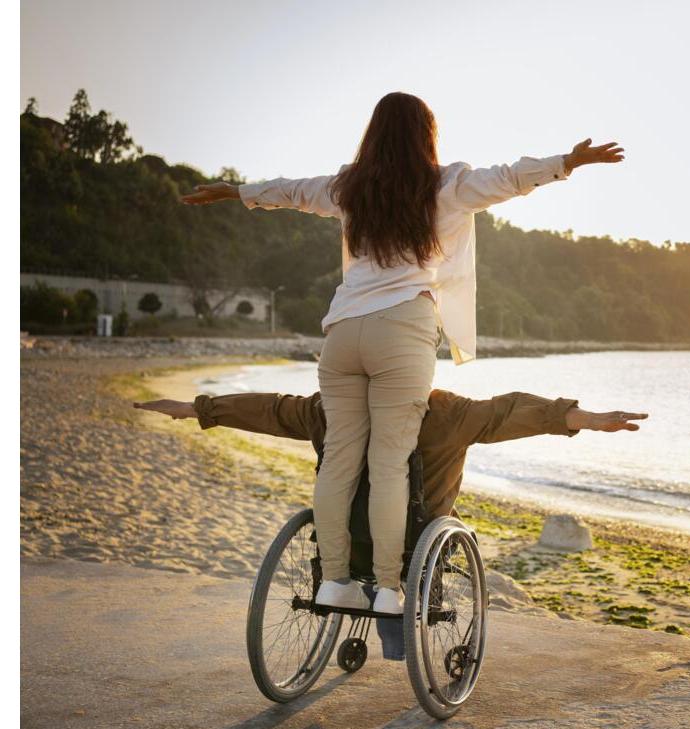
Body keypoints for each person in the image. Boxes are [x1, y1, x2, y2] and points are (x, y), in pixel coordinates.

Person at [181, 92, 625, 613]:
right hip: (403, 329)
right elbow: (508, 178)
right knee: (389, 463)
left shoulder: (350, 187)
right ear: (426, 135)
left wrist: (238, 191)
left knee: (339, 462)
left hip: (342, 331)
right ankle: (389, 590)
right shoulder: (446, 184)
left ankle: (335, 581)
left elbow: (293, 191)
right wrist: (567, 163)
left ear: (374, 133)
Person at [134, 389, 646, 577]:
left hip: (347, 539)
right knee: (431, 528)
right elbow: (512, 411)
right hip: (417, 542)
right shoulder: (446, 413)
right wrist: (582, 418)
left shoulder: (330, 409)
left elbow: (269, 410)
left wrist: (196, 408)